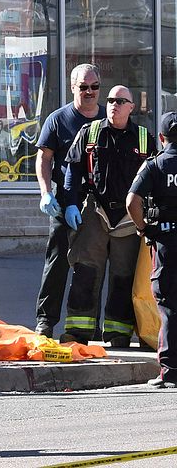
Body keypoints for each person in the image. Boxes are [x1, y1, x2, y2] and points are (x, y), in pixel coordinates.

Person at [61, 85, 155, 346]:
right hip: (95, 211)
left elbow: (154, 179)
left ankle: (117, 332)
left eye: (121, 101)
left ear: (131, 107)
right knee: (85, 271)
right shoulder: (89, 132)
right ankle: (78, 331)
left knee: (123, 276)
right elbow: (73, 171)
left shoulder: (144, 139)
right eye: (111, 100)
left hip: (128, 217)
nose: (114, 104)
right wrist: (70, 204)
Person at [34, 64, 106, 338]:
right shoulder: (59, 119)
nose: (89, 92)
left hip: (98, 206)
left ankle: (86, 326)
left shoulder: (107, 118)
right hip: (66, 203)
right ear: (73, 87)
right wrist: (45, 193)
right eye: (83, 87)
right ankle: (45, 321)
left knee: (91, 267)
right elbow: (44, 158)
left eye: (94, 87)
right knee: (57, 263)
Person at [127, 112, 177, 388]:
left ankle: (169, 373)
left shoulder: (155, 165)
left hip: (167, 241)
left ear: (161, 137)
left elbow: (132, 200)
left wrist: (143, 228)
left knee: (169, 305)